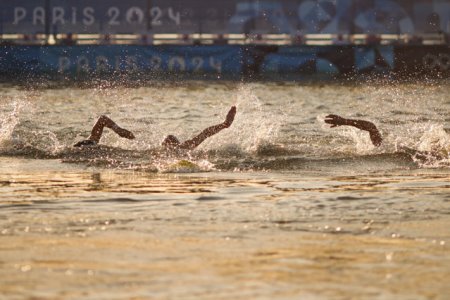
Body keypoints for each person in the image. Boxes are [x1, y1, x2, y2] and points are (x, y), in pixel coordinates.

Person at [74, 106, 237, 150]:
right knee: (102, 124)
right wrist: (119, 130)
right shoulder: (148, 148)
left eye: (170, 141)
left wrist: (225, 124)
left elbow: (204, 134)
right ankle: (93, 142)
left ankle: (92, 144)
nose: (167, 140)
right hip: (94, 147)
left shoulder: (183, 150)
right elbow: (204, 134)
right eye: (167, 140)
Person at [324, 114, 447, 160]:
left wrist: (345, 121)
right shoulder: (385, 148)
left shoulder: (382, 148)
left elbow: (372, 127)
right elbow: (371, 127)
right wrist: (345, 121)